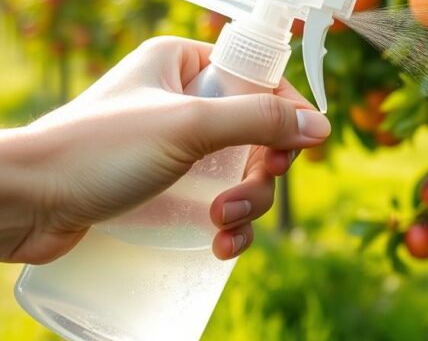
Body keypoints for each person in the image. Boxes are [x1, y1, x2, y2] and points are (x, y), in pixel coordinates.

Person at [0, 36, 331, 264]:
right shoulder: (186, 125)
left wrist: (45, 190)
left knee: (223, 210)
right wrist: (49, 184)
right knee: (225, 212)